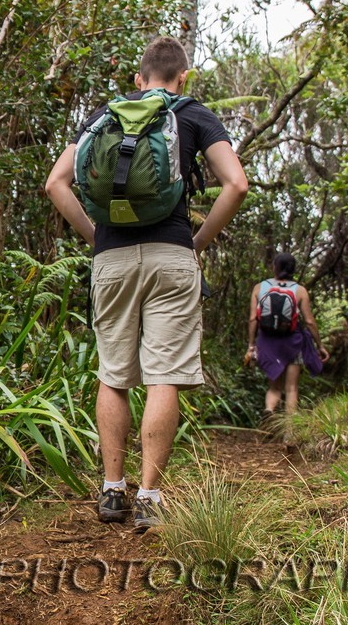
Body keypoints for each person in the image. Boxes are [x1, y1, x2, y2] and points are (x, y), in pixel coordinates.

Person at [44, 36, 249, 531]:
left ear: (138, 80)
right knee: (164, 376)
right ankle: (150, 498)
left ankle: (113, 491)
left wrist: (97, 238)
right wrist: (195, 242)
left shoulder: (102, 115)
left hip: (111, 257)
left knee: (114, 373)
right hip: (172, 255)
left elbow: (56, 183)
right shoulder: (193, 115)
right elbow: (236, 184)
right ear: (183, 77)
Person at [245, 252, 327, 421]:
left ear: (275, 267)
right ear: (292, 270)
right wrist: (320, 346)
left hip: (267, 342)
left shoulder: (259, 288)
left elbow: (253, 319)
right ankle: (290, 430)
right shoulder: (300, 291)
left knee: (274, 386)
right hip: (292, 343)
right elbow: (310, 321)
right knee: (291, 388)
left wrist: (251, 344)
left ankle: (269, 408)